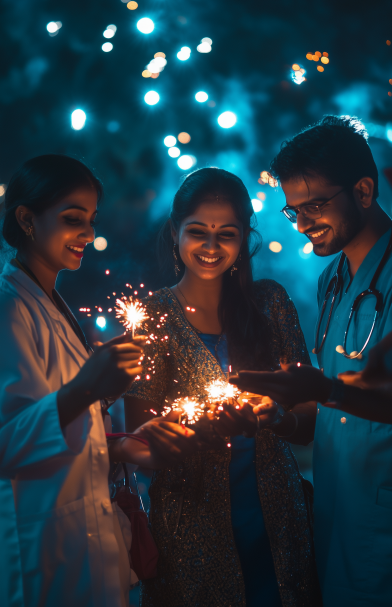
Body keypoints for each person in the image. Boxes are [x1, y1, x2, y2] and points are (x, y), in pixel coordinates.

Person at [0, 154, 196, 607]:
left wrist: (122, 443)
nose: (88, 234)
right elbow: (9, 442)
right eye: (73, 219)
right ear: (26, 219)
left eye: (91, 220)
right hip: (42, 550)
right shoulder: (10, 307)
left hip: (86, 538)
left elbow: (62, 423)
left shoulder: (52, 303)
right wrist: (87, 388)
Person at [124, 168, 321, 607]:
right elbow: (142, 442)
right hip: (190, 530)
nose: (211, 247)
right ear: (175, 231)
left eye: (226, 234)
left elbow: (309, 420)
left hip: (277, 518)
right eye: (198, 232)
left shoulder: (270, 303)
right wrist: (199, 429)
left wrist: (279, 418)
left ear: (245, 237)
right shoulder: (154, 316)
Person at [231, 115, 392, 607]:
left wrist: (323, 391)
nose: (302, 224)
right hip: (338, 524)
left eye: (316, 205)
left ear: (363, 191)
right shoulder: (333, 282)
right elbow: (328, 419)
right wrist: (279, 416)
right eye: (293, 210)